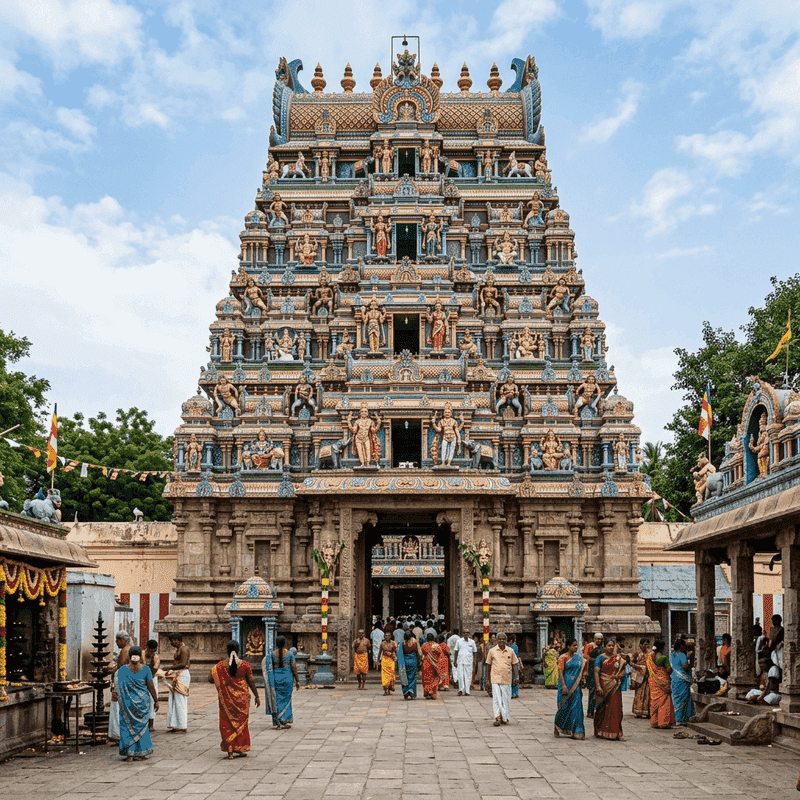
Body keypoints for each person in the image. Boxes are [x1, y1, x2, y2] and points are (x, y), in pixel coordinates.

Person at [209, 640, 260, 758]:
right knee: (241, 724)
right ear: (238, 650)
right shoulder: (245, 665)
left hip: (227, 700)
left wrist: (220, 679)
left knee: (227, 723)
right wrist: (257, 696)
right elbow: (251, 682)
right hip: (241, 700)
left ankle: (230, 751)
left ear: (227, 651)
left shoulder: (220, 666)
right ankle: (240, 748)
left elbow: (210, 678)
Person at [116, 645, 158, 762]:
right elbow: (150, 686)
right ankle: (142, 753)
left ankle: (129, 755)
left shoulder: (122, 670)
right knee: (142, 728)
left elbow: (117, 688)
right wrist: (156, 700)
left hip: (127, 704)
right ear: (140, 656)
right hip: (142, 704)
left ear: (129, 657)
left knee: (127, 726)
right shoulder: (145, 669)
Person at [263, 635, 300, 729]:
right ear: (285, 643)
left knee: (277, 700)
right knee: (287, 700)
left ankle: (278, 723)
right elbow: (294, 668)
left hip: (276, 679)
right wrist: (297, 681)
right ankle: (284, 720)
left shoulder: (272, 655)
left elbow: (269, 668)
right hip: (287, 679)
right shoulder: (290, 654)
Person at [593, 637, 626, 741]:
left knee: (616, 709)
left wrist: (618, 676)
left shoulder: (618, 658)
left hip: (615, 687)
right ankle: (601, 731)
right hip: (604, 685)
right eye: (609, 645)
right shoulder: (600, 658)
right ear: (604, 646)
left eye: (613, 645)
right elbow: (596, 672)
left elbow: (623, 671)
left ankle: (616, 732)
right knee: (602, 708)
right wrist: (598, 686)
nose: (611, 647)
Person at [554, 639, 586, 739]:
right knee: (564, 707)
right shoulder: (563, 657)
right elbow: (560, 672)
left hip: (576, 687)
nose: (576, 647)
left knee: (576, 708)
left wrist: (583, 678)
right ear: (568, 646)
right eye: (574, 645)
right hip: (566, 685)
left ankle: (577, 730)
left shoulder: (579, 658)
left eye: (577, 645)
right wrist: (563, 686)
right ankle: (558, 726)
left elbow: (582, 669)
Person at [486, 633, 519, 726]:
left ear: (506, 640)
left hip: (506, 679)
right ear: (496, 640)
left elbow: (515, 664)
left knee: (506, 699)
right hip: (495, 678)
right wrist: (487, 679)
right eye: (499, 639)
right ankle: (497, 717)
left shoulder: (510, 651)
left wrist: (516, 676)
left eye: (503, 639)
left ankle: (505, 717)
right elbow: (488, 665)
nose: (501, 641)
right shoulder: (492, 651)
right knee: (496, 699)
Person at [107, 630, 131, 743]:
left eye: (117, 640)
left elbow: (120, 667)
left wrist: (111, 671)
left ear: (122, 641)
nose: (116, 642)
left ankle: (117, 733)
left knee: (117, 706)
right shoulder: (127, 649)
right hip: (123, 680)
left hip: (121, 681)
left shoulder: (125, 650)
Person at [646, 639, 675, 729]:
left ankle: (654, 722)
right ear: (662, 647)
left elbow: (648, 670)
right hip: (662, 681)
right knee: (664, 701)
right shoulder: (663, 657)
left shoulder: (650, 656)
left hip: (653, 681)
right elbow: (668, 670)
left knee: (654, 701)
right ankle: (663, 722)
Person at [165, 633, 191, 733]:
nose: (171, 643)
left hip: (183, 675)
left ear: (176, 640)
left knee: (180, 700)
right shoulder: (179, 649)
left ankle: (182, 726)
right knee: (174, 699)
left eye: (172, 641)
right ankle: (175, 724)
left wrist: (170, 668)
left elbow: (183, 664)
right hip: (178, 674)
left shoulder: (184, 649)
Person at [671, 639, 694, 725]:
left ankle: (677, 717)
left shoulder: (671, 655)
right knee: (682, 699)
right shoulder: (682, 655)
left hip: (674, 679)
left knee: (676, 698)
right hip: (682, 680)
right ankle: (680, 718)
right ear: (681, 646)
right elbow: (685, 666)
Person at [631, 638, 651, 719]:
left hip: (648, 674)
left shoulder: (650, 653)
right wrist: (639, 667)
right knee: (639, 692)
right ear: (640, 645)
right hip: (639, 674)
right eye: (644, 644)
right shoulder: (636, 653)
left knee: (647, 693)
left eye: (647, 644)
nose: (645, 646)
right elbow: (631, 662)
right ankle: (638, 711)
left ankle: (647, 711)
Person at [143, 639, 161, 731]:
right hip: (141, 679)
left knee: (151, 701)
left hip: (152, 679)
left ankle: (151, 724)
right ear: (147, 648)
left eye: (154, 651)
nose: (152, 652)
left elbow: (153, 671)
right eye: (151, 650)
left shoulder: (156, 657)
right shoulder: (141, 654)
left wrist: (152, 661)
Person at [400, 630, 420, 700]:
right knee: (413, 677)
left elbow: (400, 653)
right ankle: (411, 691)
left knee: (405, 676)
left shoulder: (403, 643)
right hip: (413, 660)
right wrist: (419, 660)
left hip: (405, 661)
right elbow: (418, 652)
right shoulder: (415, 642)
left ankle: (405, 691)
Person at [421, 633, 441, 700]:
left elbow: (422, 653)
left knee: (426, 679)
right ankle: (434, 694)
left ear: (426, 638)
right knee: (434, 678)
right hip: (434, 665)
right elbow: (439, 654)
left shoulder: (424, 645)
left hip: (426, 664)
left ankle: (427, 693)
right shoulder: (437, 646)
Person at [378, 631, 398, 695]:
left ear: (390, 636)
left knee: (391, 676)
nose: (386, 637)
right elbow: (380, 652)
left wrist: (396, 658)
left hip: (391, 660)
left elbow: (396, 651)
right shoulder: (382, 643)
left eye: (388, 635)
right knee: (384, 676)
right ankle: (385, 690)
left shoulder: (393, 643)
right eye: (385, 636)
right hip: (384, 660)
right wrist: (378, 660)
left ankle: (390, 688)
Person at [585, 646, 601, 718]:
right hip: (593, 678)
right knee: (592, 694)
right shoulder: (594, 661)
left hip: (596, 678)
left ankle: (592, 712)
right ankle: (590, 711)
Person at [508, 634, 521, 699]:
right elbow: (517, 656)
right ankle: (514, 693)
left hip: (509, 665)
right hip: (515, 664)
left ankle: (511, 693)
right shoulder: (515, 647)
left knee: (511, 679)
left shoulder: (508, 647)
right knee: (516, 678)